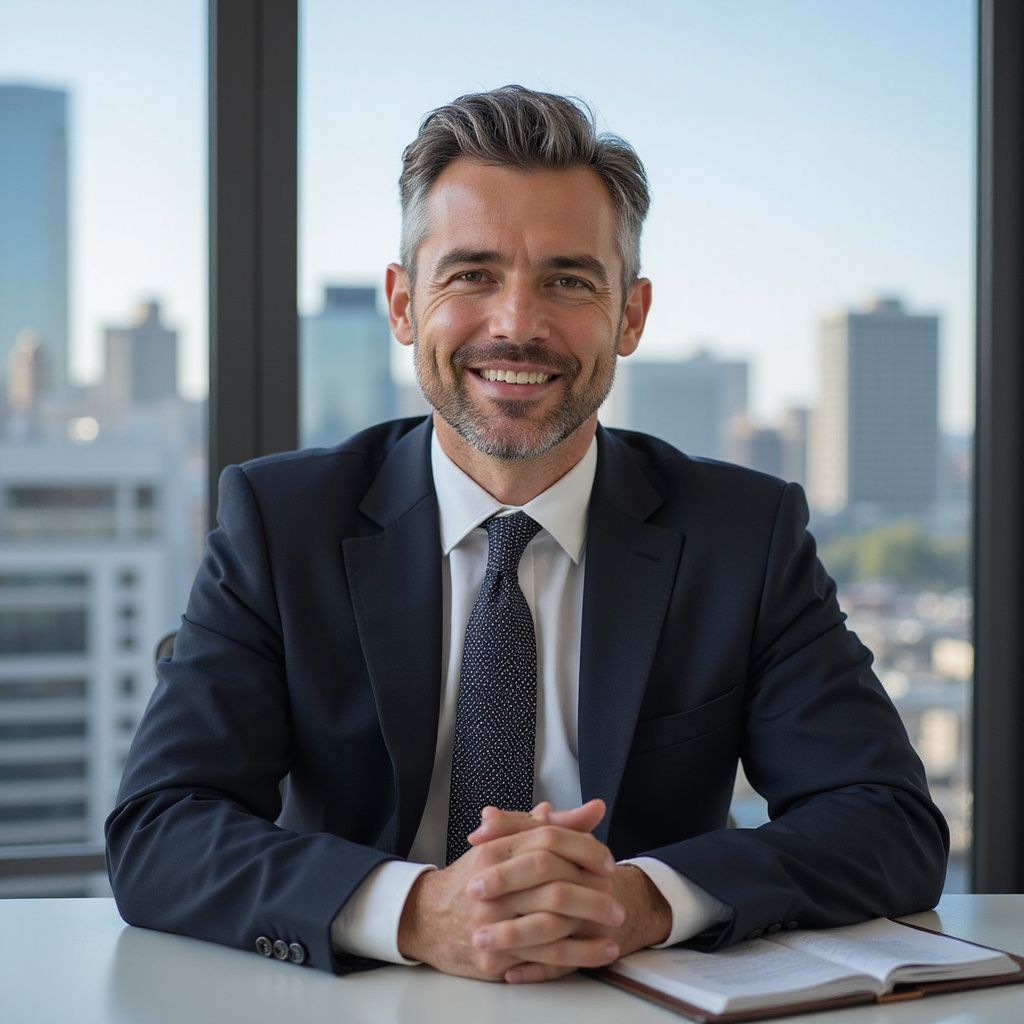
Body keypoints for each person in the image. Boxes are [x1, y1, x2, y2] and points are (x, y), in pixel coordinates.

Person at [105, 85, 948, 985]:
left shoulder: (744, 534)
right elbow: (162, 827)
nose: (517, 324)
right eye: (471, 274)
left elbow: (887, 821)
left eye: (568, 280)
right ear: (402, 304)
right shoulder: (281, 522)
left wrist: (641, 900)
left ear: (630, 314)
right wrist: (416, 910)